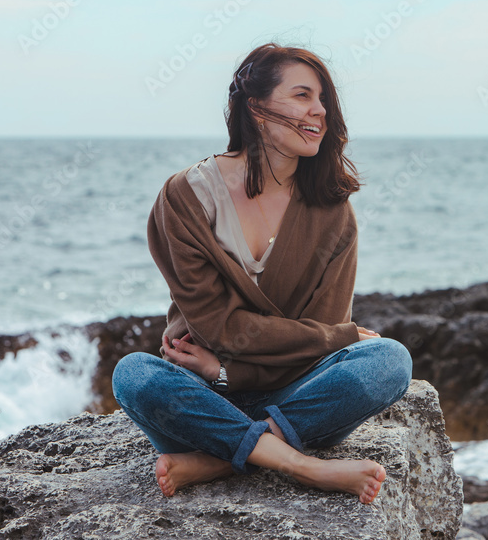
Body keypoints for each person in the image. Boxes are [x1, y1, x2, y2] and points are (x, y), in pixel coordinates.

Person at [112, 42, 412, 505]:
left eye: (324, 100)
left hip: (297, 399)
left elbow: (311, 339)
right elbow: (223, 328)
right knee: (133, 375)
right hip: (202, 396)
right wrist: (339, 338)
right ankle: (301, 465)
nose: (320, 112)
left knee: (390, 360)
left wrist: (230, 370)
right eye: (303, 96)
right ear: (256, 108)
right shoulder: (186, 197)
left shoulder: (333, 212)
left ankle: (217, 459)